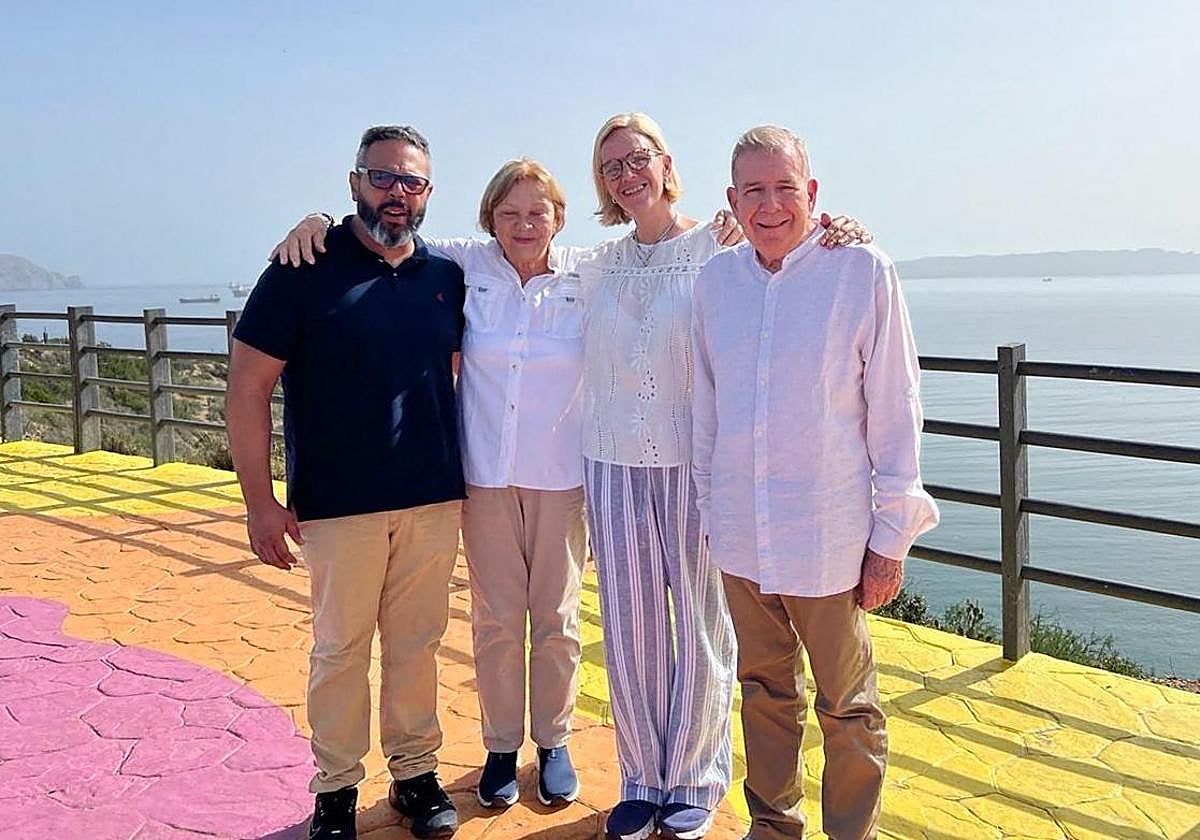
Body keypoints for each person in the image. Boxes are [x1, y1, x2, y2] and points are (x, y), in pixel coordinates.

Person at [580, 113, 870, 840]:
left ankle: (698, 778)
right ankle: (642, 777)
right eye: (611, 166)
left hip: (696, 466)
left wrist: (842, 227)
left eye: (637, 158)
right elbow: (495, 248)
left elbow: (792, 236)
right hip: (614, 462)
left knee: (708, 632)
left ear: (665, 161)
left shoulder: (720, 241)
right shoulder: (592, 262)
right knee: (631, 631)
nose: (627, 174)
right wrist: (325, 221)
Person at [690, 125, 939, 840]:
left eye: (785, 188)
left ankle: (849, 834)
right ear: (732, 200)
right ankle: (773, 827)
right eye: (754, 191)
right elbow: (707, 407)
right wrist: (712, 510)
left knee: (848, 704)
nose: (771, 206)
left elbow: (897, 408)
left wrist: (891, 538)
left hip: (827, 535)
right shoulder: (716, 281)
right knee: (764, 693)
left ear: (814, 192)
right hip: (741, 533)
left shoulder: (860, 270)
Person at [226, 125, 465, 840]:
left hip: (432, 496)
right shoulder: (301, 269)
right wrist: (260, 503)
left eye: (411, 182)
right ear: (354, 180)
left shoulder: (445, 277)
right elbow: (245, 389)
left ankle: (415, 777)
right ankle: (335, 789)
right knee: (340, 649)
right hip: (337, 506)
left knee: (417, 643)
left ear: (428, 192)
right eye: (382, 177)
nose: (396, 194)